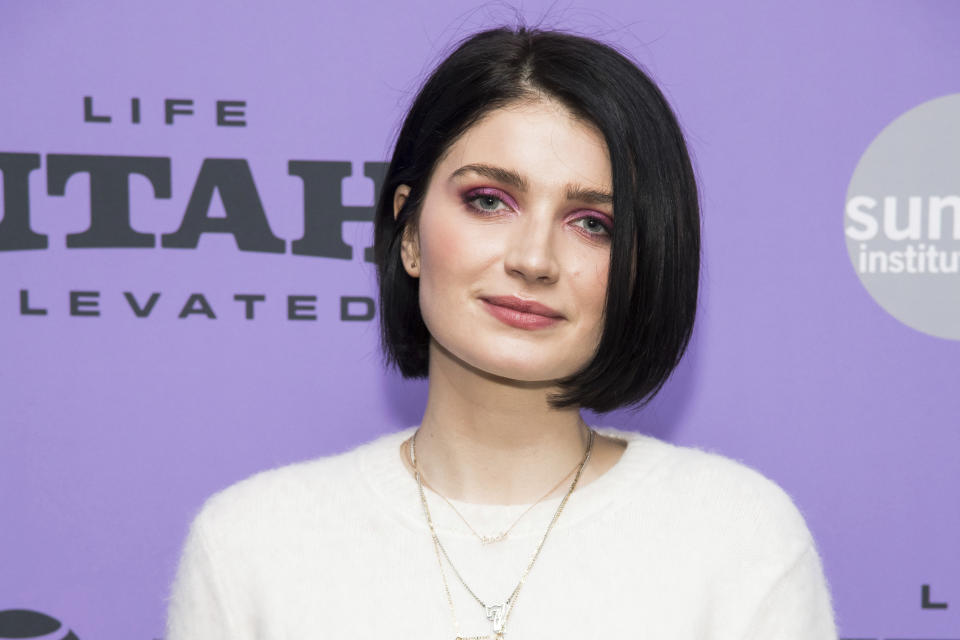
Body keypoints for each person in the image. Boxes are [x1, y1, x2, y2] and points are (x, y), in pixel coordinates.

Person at [164, 25, 838, 640]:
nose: (533, 259)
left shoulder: (737, 536)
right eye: (489, 201)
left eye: (592, 224)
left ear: (643, 266)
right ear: (408, 234)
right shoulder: (251, 544)